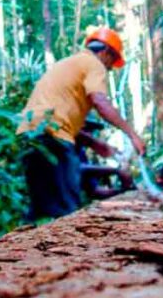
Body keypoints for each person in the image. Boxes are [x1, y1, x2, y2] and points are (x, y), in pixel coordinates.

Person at [17, 28, 145, 220]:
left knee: (41, 207)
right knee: (65, 210)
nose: (109, 69)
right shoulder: (94, 64)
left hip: (31, 135)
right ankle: (62, 249)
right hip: (53, 138)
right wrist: (133, 135)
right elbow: (101, 103)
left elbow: (56, 113)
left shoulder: (69, 63)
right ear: (106, 53)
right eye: (111, 63)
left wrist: (95, 144)